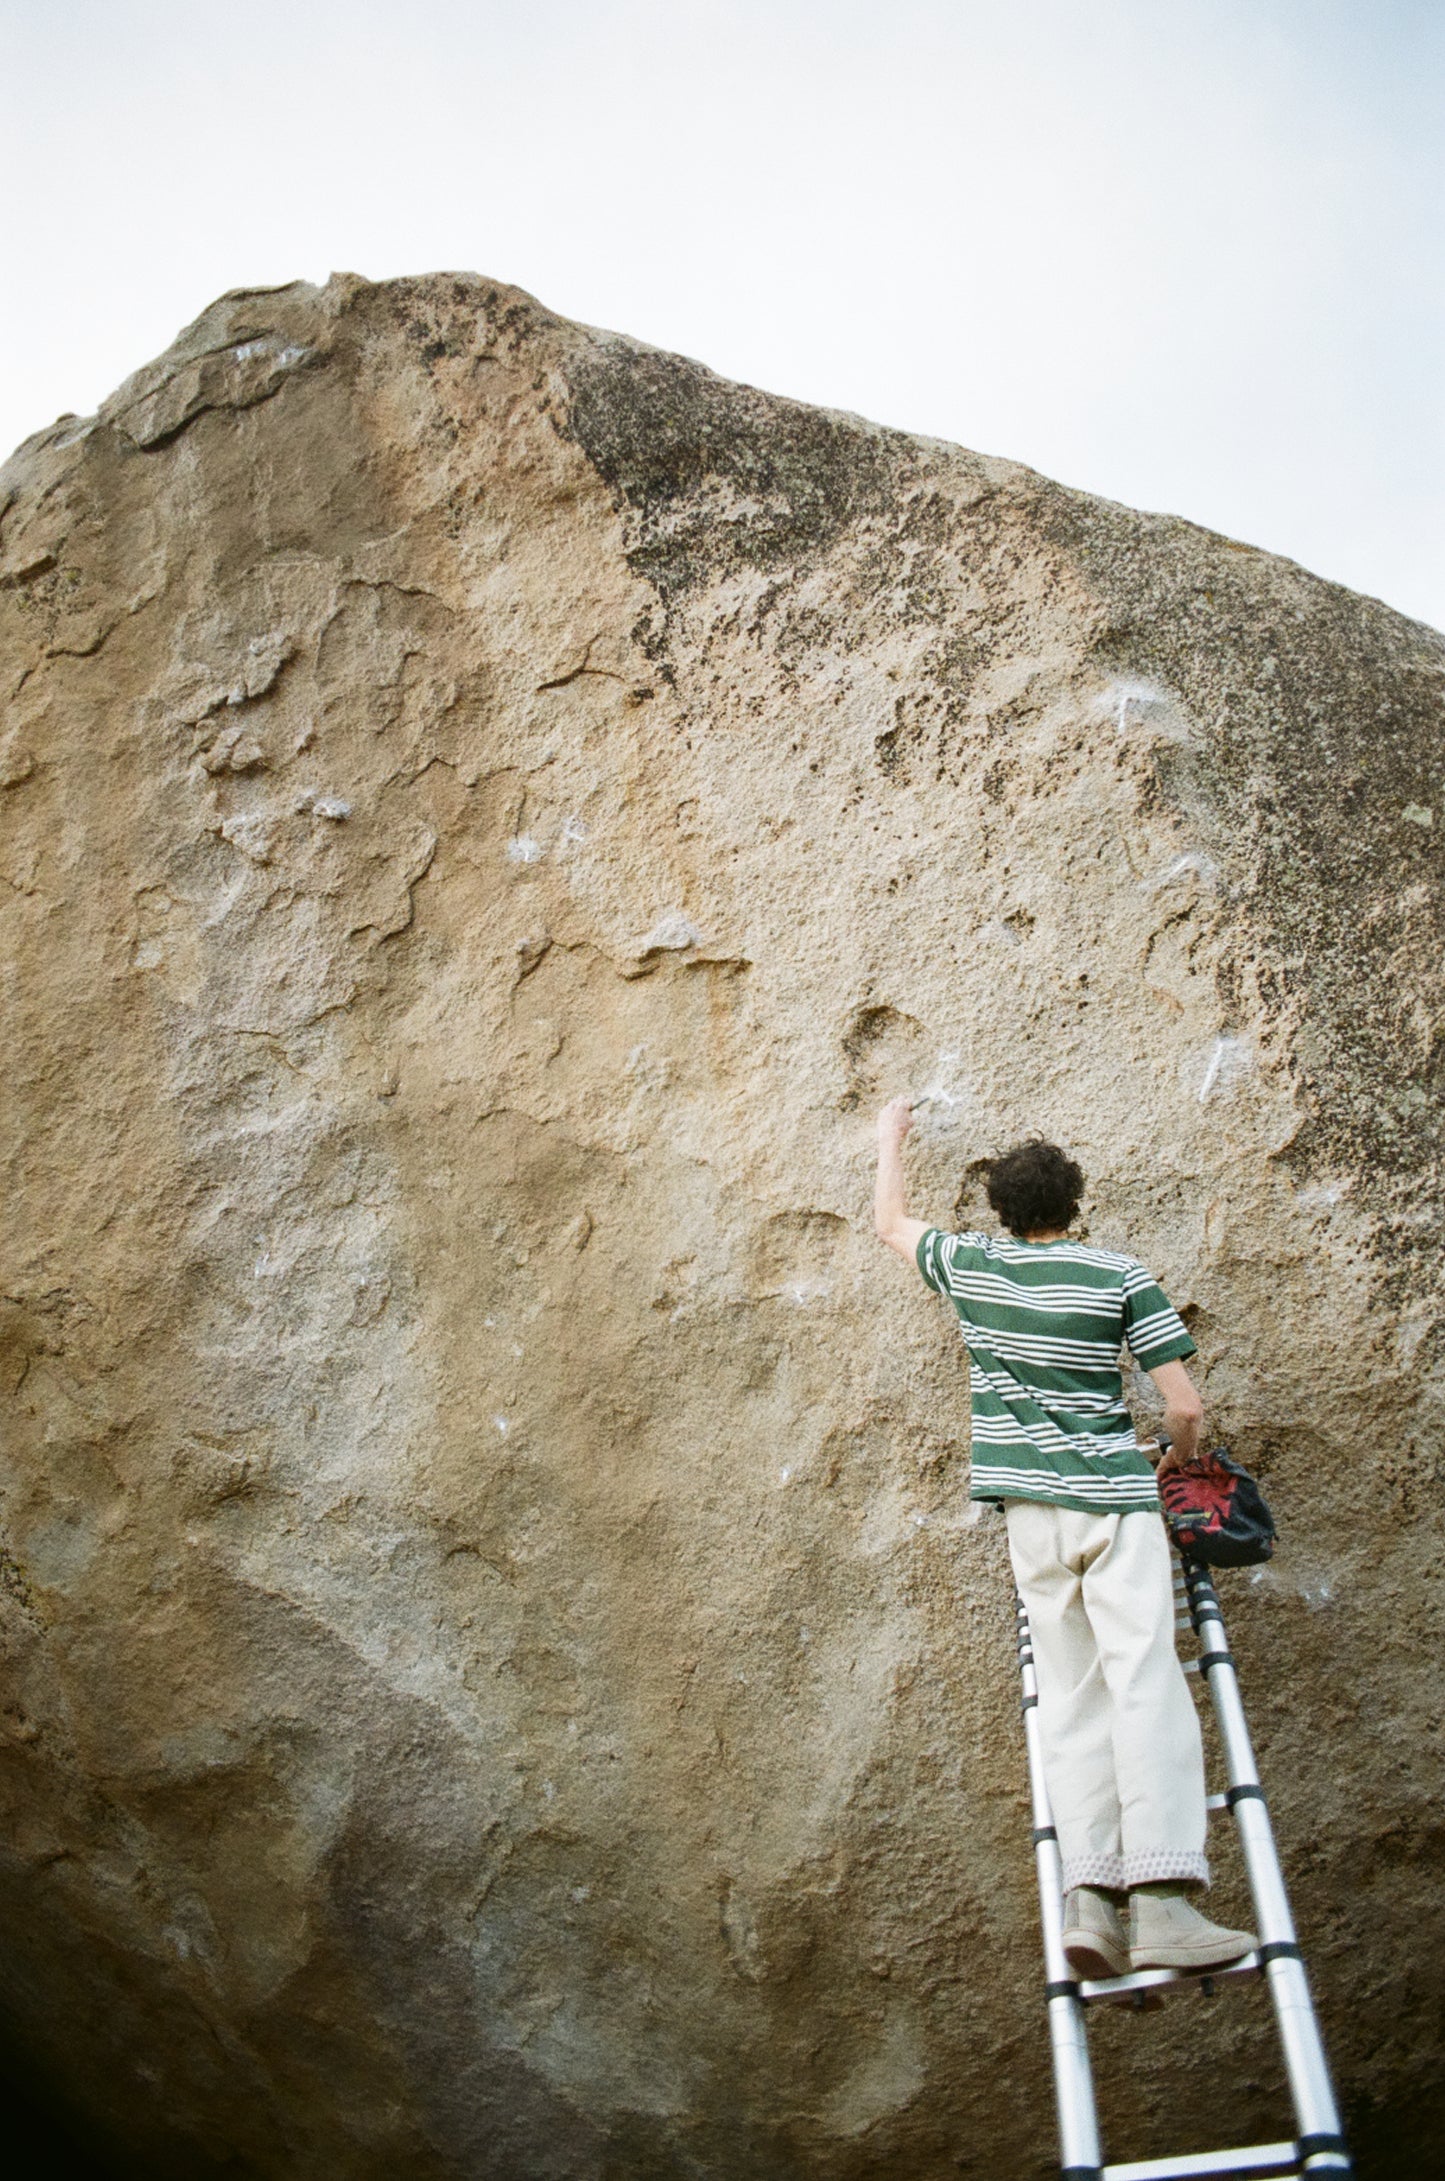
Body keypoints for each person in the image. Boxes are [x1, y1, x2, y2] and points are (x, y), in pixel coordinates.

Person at [874, 1097, 1256, 1978]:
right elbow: (1184, 1405)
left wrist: (888, 1137)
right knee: (1145, 1680)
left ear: (1002, 1209)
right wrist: (1173, 1460)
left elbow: (889, 1222)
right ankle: (1161, 1903)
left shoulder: (970, 1264)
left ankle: (1089, 1903)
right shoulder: (1118, 1274)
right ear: (1072, 1202)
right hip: (1114, 1505)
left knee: (1072, 1693)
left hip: (1030, 1516)